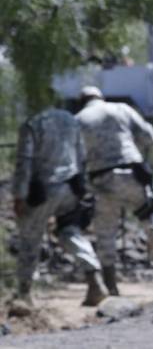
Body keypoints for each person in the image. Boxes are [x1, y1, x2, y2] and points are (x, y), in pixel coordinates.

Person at [75, 86, 153, 294]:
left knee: (105, 231)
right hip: (132, 175)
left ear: (82, 101)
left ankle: (110, 284)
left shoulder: (78, 120)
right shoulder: (120, 109)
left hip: (101, 180)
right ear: (100, 97)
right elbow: (149, 136)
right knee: (150, 218)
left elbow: (75, 156)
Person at [13, 107, 107, 306]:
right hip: (69, 188)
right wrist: (81, 187)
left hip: (41, 191)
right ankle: (94, 279)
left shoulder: (32, 124)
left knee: (30, 238)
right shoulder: (71, 121)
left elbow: (24, 161)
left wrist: (19, 195)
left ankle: (24, 294)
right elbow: (81, 155)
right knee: (69, 231)